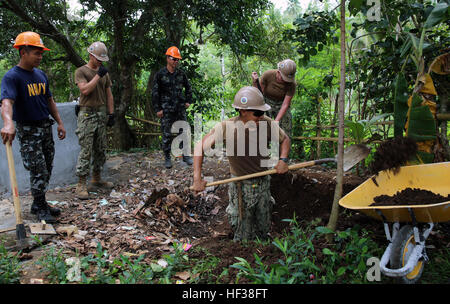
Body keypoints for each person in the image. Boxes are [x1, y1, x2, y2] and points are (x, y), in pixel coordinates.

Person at [192, 86, 291, 241]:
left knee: (263, 226)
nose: (261, 116)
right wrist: (197, 178)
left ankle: (263, 251)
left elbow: (285, 139)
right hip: (239, 184)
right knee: (242, 228)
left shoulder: (266, 123)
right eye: (257, 113)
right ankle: (241, 253)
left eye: (263, 112)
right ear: (243, 111)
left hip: (263, 181)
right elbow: (199, 147)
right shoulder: (227, 127)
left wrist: (283, 160)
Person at [0, 31, 66, 223]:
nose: (40, 56)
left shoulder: (40, 75)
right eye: (36, 52)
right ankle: (40, 207)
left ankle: (40, 203)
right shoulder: (12, 77)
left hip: (45, 126)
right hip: (28, 130)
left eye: (41, 53)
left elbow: (50, 100)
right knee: (37, 168)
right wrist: (8, 124)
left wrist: (60, 122)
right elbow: (6, 102)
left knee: (47, 166)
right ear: (23, 52)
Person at [74, 41, 115, 200]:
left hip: (101, 113)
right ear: (91, 55)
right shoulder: (81, 71)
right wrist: (98, 75)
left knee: (100, 148)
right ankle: (81, 184)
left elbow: (109, 94)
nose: (100, 62)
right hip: (87, 114)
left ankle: (96, 178)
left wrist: (111, 114)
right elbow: (85, 90)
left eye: (102, 60)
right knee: (86, 149)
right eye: (98, 59)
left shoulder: (104, 73)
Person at [152, 46, 193, 169]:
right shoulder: (160, 75)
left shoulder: (181, 74)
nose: (176, 61)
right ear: (167, 58)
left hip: (180, 108)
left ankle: (186, 155)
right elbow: (155, 93)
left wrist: (188, 101)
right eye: (174, 59)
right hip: (166, 110)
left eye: (177, 59)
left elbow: (189, 87)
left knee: (184, 132)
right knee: (167, 134)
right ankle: (167, 157)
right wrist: (158, 109)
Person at [251, 59, 297, 137]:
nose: (285, 81)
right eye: (283, 78)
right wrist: (255, 82)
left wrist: (276, 122)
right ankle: (261, 145)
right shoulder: (268, 75)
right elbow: (258, 94)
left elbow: (285, 104)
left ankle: (283, 146)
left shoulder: (292, 84)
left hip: (281, 104)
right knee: (261, 123)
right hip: (266, 102)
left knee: (286, 126)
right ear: (278, 72)